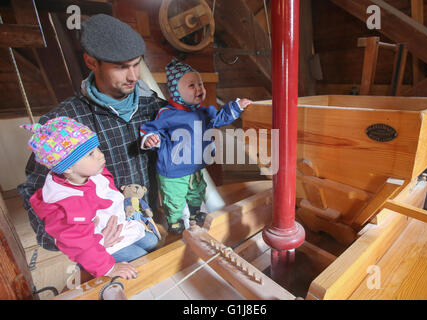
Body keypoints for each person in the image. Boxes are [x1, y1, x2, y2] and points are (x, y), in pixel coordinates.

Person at [17, 14, 167, 251]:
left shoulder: (155, 108)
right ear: (91, 62)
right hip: (103, 241)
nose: (133, 76)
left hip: (151, 220)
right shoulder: (63, 123)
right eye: (121, 67)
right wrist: (78, 242)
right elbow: (35, 192)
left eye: (136, 64)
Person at [22, 117, 159, 279]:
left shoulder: (92, 173)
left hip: (117, 227)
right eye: (90, 154)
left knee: (152, 242)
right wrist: (108, 268)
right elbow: (78, 244)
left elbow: (108, 191)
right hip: (95, 245)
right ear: (68, 168)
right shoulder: (66, 202)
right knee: (140, 257)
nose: (101, 156)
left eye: (98, 149)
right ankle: (96, 267)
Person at [140, 58, 252, 234]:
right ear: (176, 91)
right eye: (192, 85)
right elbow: (151, 129)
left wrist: (236, 106)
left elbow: (220, 118)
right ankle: (175, 221)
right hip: (174, 170)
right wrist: (150, 138)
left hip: (196, 166)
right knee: (174, 198)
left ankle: (194, 213)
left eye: (200, 84)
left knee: (197, 192)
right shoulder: (167, 114)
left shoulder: (204, 112)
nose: (199, 88)